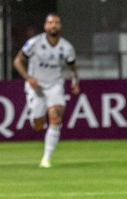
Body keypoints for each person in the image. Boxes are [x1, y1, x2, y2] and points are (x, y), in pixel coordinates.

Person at [13, 13, 80, 168]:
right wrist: (28, 78)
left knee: (56, 118)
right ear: (45, 26)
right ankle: (36, 118)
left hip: (55, 85)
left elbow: (73, 67)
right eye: (50, 23)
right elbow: (17, 61)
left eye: (56, 23)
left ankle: (46, 158)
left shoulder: (67, 47)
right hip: (36, 86)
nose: (53, 25)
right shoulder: (34, 43)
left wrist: (75, 82)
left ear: (60, 26)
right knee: (38, 124)